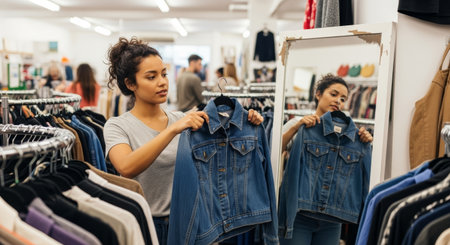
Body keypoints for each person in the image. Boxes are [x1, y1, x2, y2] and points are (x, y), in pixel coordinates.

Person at [103, 37, 264, 245]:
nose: (162, 82)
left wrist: (247, 121)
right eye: (151, 77)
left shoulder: (182, 120)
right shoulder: (117, 126)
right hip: (147, 226)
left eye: (164, 74)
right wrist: (172, 130)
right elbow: (126, 167)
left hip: (191, 222)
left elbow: (223, 150)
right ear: (130, 83)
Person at [280, 74, 373, 245]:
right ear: (318, 94)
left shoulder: (354, 137)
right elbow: (276, 150)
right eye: (334, 94)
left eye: (343, 98)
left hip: (333, 217)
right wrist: (297, 127)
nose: (338, 101)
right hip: (300, 213)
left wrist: (365, 143)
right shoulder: (300, 125)